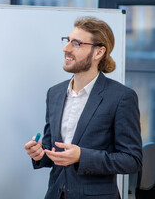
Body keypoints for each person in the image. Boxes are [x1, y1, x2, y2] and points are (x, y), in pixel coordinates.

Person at [24, 17, 142, 199]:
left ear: (98, 52)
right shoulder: (54, 93)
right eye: (68, 40)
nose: (66, 48)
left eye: (77, 43)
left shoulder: (121, 97)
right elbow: (51, 148)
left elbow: (132, 160)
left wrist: (82, 156)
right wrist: (39, 153)